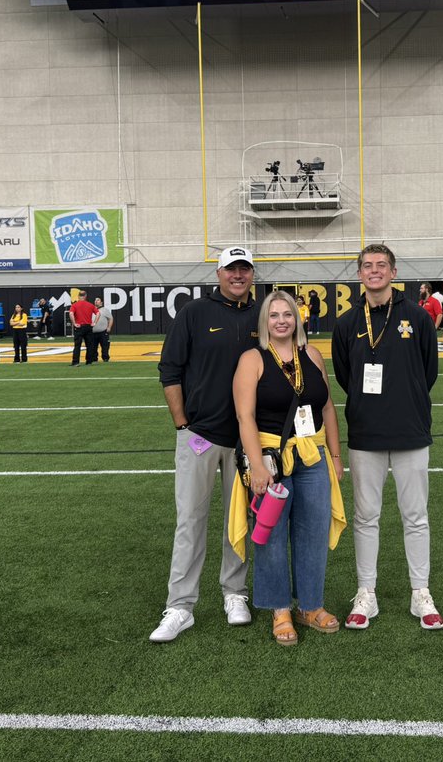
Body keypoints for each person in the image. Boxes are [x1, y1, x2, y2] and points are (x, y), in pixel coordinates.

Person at [332, 244, 443, 631]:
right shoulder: (347, 323)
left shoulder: (416, 316)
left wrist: (406, 398)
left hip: (411, 429)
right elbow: (346, 377)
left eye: (382, 265)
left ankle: (420, 593)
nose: (374, 271)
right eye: (367, 266)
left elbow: (428, 370)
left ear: (394, 273)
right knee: (366, 517)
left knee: (416, 517)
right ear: (359, 274)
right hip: (366, 432)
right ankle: (367, 593)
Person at [150, 246, 258, 644]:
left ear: (252, 274)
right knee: (190, 521)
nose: (238, 275)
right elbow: (170, 369)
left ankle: (235, 594)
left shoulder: (261, 314)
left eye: (245, 269)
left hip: (248, 440)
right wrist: (182, 424)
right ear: (218, 273)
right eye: (231, 269)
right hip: (200, 436)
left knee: (239, 522)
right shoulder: (194, 313)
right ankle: (180, 605)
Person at [231, 291, 344, 646]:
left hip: (312, 456)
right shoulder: (253, 359)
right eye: (274, 315)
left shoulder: (312, 354)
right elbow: (244, 416)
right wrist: (258, 467)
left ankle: (310, 606)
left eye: (288, 314)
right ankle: (280, 609)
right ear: (265, 322)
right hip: (270, 458)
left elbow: (326, 408)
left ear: (298, 318)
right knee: (272, 535)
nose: (282, 320)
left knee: (313, 532)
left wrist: (336, 458)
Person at [69, 291, 97, 367]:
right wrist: (94, 322)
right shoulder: (90, 305)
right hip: (88, 326)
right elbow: (98, 313)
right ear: (85, 296)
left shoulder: (74, 305)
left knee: (77, 345)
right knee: (90, 345)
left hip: (79, 327)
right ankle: (89, 361)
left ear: (78, 296)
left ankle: (76, 362)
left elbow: (71, 313)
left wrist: (74, 323)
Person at [91, 297, 113, 363]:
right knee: (93, 347)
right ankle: (94, 359)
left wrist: (109, 327)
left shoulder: (105, 310)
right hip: (93, 332)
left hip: (103, 332)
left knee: (105, 346)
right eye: (95, 300)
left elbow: (111, 319)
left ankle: (105, 358)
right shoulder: (91, 310)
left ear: (101, 302)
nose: (96, 301)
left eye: (98, 300)